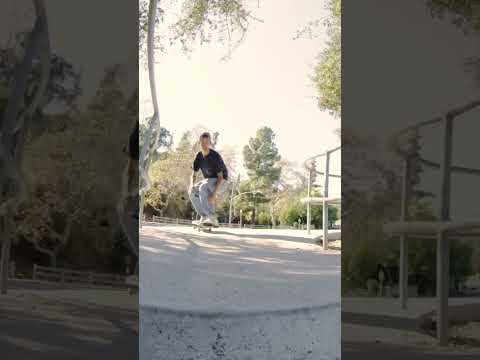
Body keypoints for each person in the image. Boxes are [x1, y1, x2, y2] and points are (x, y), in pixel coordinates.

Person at [189, 132, 228, 226]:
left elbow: (220, 177)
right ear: (199, 143)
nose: (204, 145)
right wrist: (191, 185)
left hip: (222, 181)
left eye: (207, 142)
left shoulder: (215, 156)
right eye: (202, 143)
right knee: (192, 191)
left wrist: (214, 194)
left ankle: (211, 216)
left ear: (210, 143)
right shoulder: (198, 156)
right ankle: (204, 217)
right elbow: (193, 174)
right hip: (210, 181)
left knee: (203, 187)